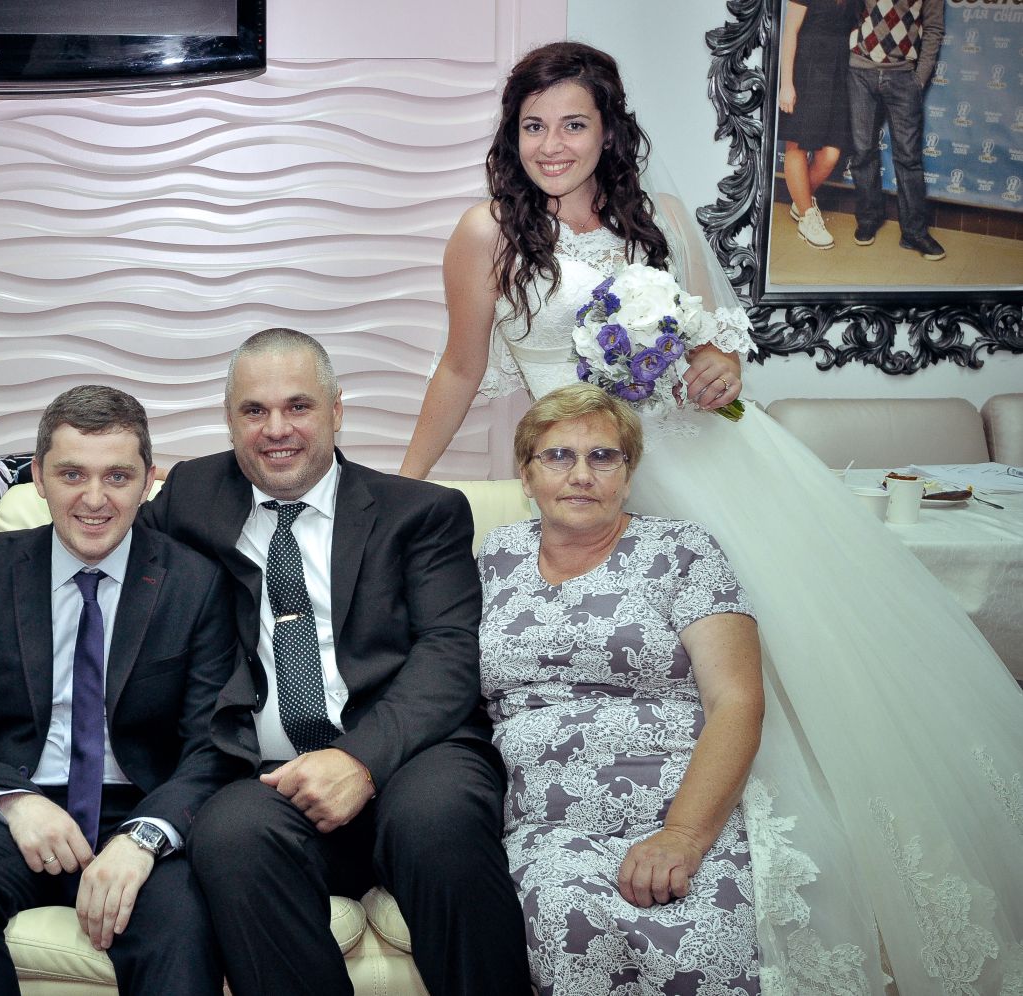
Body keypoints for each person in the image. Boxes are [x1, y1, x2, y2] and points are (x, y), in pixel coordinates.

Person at [400, 40, 1023, 994]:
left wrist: (721, 367)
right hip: (597, 470)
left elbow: (711, 347)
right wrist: (399, 491)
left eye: (573, 124)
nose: (552, 145)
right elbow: (459, 367)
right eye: (533, 126)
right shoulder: (487, 232)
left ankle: (792, 871)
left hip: (713, 463)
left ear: (609, 131)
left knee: (799, 660)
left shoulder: (662, 219)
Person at [0, 329, 533, 996]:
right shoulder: (191, 495)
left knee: (436, 820)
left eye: (298, 406)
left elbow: (447, 656)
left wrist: (358, 761)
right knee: (230, 835)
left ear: (336, 411)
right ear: (229, 420)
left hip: (409, 756)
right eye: (254, 411)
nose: (276, 429)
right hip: (268, 776)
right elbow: (89, 512)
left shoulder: (421, 513)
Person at [0, 385, 240, 996]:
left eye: (118, 476)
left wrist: (146, 837)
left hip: (138, 809)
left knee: (185, 923)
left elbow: (211, 746)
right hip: (7, 807)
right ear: (38, 477)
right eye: (72, 474)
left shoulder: (196, 583)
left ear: (147, 482)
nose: (95, 499)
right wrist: (15, 802)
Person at [482, 384, 763, 994]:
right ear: (525, 475)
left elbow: (737, 700)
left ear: (628, 476)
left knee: (704, 942)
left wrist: (683, 836)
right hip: (547, 822)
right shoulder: (495, 557)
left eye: (603, 457)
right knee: (564, 915)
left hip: (679, 806)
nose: (581, 474)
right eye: (557, 456)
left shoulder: (683, 550)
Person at [848, 0, 946, 259]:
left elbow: (934, 28)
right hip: (860, 72)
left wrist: (919, 79)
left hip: (903, 77)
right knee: (862, 151)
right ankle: (868, 218)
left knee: (908, 157)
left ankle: (914, 232)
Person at [777, 0, 855, 250]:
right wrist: (786, 84)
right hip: (806, 71)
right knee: (797, 146)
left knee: (830, 154)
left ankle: (801, 203)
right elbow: (790, 31)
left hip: (836, 75)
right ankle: (807, 217)